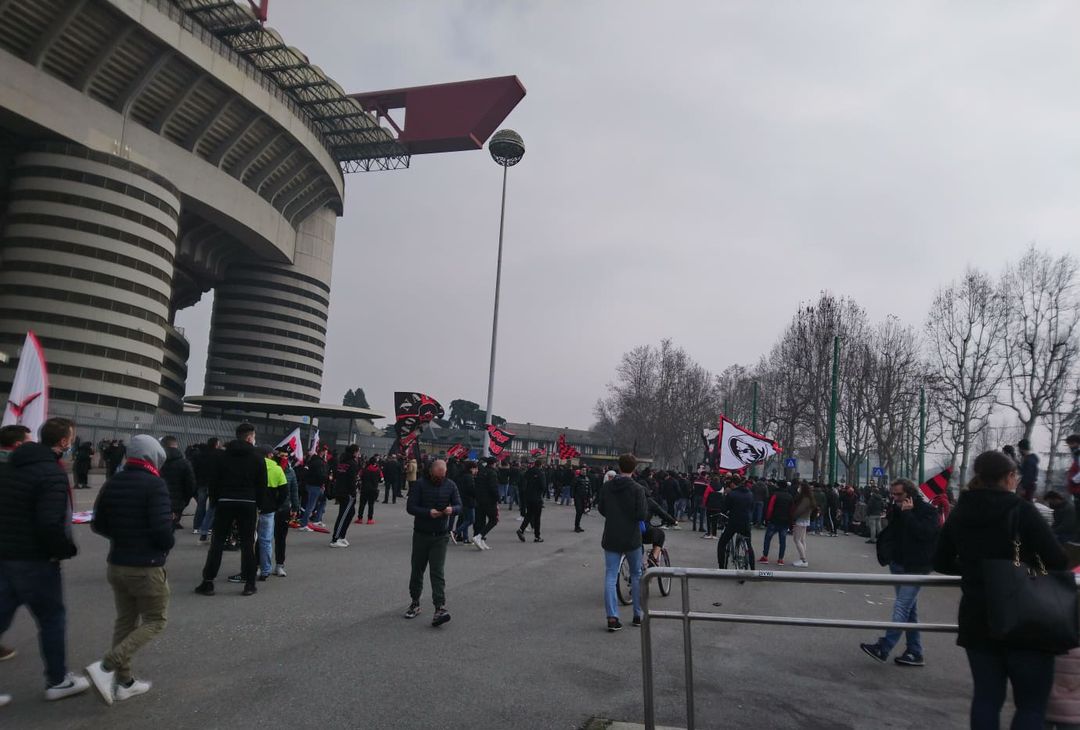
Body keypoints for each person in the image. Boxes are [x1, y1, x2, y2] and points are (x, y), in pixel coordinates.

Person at [933, 450, 1067, 728]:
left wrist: (976, 571)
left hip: (978, 617)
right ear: (1008, 477)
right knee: (1031, 705)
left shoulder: (962, 511)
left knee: (986, 698)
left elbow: (940, 560)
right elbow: (1057, 560)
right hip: (1027, 618)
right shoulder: (1022, 510)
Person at [0, 417, 90, 700]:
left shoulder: (11, 466)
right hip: (36, 559)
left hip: (6, 554)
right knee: (52, 618)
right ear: (63, 441)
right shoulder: (50, 472)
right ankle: (58, 680)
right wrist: (65, 549)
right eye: (71, 438)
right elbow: (50, 522)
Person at [86, 435, 173, 705]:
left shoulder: (114, 480)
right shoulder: (154, 484)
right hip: (145, 566)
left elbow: (98, 523)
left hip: (117, 563)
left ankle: (124, 682)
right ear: (153, 456)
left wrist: (123, 536)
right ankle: (106, 667)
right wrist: (165, 543)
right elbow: (162, 531)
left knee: (125, 621)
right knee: (155, 620)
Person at [859, 478, 941, 667]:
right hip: (900, 563)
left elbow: (925, 534)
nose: (894, 497)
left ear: (909, 494)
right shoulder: (897, 508)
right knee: (909, 610)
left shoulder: (927, 511)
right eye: (893, 494)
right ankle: (914, 651)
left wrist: (909, 514)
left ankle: (884, 647)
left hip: (917, 566)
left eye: (898, 494)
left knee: (902, 606)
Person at [195, 423, 266, 597]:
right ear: (250, 438)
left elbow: (214, 481)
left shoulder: (222, 456)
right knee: (248, 543)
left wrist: (215, 501)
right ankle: (249, 584)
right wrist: (260, 504)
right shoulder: (257, 458)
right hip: (248, 502)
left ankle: (208, 581)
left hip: (225, 500)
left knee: (217, 542)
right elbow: (262, 484)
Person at [403, 459, 460, 627]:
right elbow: (410, 507)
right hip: (421, 534)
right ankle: (415, 602)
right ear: (431, 472)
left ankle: (440, 608)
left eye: (443, 476)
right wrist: (428, 513)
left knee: (437, 572)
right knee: (417, 570)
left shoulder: (450, 485)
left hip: (441, 535)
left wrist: (452, 510)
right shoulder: (419, 485)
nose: (440, 479)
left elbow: (459, 505)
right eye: (438, 476)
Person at [598, 454, 649, 632]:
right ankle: (638, 614)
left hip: (611, 535)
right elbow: (641, 515)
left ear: (619, 467)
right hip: (631, 537)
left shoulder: (607, 487)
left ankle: (612, 616)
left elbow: (601, 508)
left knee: (611, 575)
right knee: (636, 574)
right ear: (634, 469)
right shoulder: (638, 489)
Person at [716, 478, 755, 569]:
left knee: (722, 543)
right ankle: (752, 568)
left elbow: (724, 509)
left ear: (733, 484)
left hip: (734, 523)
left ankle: (721, 567)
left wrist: (721, 518)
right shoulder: (750, 494)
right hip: (746, 523)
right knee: (749, 545)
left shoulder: (731, 494)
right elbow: (752, 508)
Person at [159, 436, 195, 532]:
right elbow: (190, 484)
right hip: (177, 502)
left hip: (158, 500)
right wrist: (184, 501)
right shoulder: (184, 463)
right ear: (176, 445)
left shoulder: (157, 461)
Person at [273, 452, 299, 577]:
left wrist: (295, 507)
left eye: (286, 456)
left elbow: (294, 490)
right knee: (264, 539)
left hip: (284, 509)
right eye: (281, 456)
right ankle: (259, 564)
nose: (284, 458)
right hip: (269, 508)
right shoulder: (271, 468)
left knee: (281, 539)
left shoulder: (291, 472)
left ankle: (279, 565)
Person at [330, 445, 361, 547]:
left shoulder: (342, 462)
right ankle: (335, 539)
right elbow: (352, 480)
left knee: (350, 513)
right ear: (354, 452)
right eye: (358, 451)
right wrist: (353, 493)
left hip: (340, 491)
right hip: (347, 493)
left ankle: (342, 536)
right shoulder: (352, 463)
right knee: (343, 515)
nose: (358, 453)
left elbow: (336, 475)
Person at [192, 437, 222, 542]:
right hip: (213, 483)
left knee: (200, 505)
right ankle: (208, 528)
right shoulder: (218, 455)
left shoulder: (199, 454)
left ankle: (197, 526)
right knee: (212, 506)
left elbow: (194, 468)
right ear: (216, 444)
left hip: (201, 482)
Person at [759, 482, 793, 565]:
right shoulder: (790, 496)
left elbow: (770, 507)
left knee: (768, 538)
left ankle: (765, 556)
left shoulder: (775, 495)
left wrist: (767, 518)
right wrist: (791, 522)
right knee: (782, 540)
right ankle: (780, 559)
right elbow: (791, 510)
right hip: (785, 521)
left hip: (774, 520)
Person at [298, 445, 327, 531]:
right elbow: (320, 475)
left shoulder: (312, 461)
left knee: (322, 500)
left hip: (311, 485)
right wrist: (324, 482)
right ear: (321, 452)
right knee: (311, 505)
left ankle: (317, 519)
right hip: (316, 486)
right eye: (325, 450)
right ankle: (304, 524)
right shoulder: (319, 462)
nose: (326, 452)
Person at [473, 458, 499, 550]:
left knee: (481, 520)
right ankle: (479, 536)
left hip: (479, 500)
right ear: (494, 464)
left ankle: (481, 540)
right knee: (494, 520)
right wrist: (497, 498)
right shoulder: (492, 473)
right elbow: (493, 487)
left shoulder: (481, 472)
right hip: (489, 500)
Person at [517, 459, 547, 543]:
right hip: (537, 497)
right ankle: (537, 536)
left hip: (528, 496)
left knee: (529, 514)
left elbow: (524, 480)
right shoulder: (541, 473)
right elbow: (543, 486)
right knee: (537, 517)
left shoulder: (528, 471)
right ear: (541, 465)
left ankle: (521, 529)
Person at [790, 482, 814, 567]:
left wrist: (793, 516)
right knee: (802, 539)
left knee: (797, 539)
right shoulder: (809, 498)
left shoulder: (804, 499)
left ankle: (803, 559)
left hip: (801, 520)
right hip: (806, 519)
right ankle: (802, 558)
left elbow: (799, 510)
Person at [454, 460, 476, 545]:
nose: (475, 470)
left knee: (465, 519)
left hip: (462, 499)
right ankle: (455, 532)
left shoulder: (461, 475)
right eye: (474, 468)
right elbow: (471, 490)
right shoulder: (469, 477)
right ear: (471, 469)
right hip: (468, 500)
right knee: (471, 520)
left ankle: (465, 538)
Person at [357, 456, 382, 525]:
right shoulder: (378, 470)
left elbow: (359, 477)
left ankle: (360, 518)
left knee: (362, 504)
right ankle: (369, 519)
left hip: (364, 489)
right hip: (373, 490)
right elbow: (381, 480)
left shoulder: (364, 469)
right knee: (371, 505)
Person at [1066, 434, 1080, 513]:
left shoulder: (1078, 454)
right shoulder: (1076, 455)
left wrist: (1073, 480)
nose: (1069, 447)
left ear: (1076, 443)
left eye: (1070, 444)